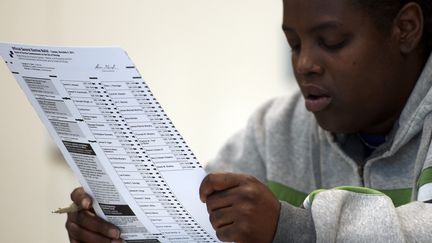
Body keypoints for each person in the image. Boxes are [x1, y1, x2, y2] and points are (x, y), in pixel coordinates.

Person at [65, 0, 432, 242]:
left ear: (406, 29)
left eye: (331, 41)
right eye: (294, 44)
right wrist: (126, 229)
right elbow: (197, 226)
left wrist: (294, 229)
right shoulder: (273, 130)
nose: (305, 64)